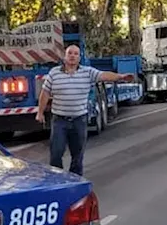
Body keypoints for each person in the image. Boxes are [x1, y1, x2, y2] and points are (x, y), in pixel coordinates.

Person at [36, 44, 134, 176]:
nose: (72, 56)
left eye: (76, 54)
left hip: (79, 120)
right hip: (59, 121)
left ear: (79, 58)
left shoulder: (88, 72)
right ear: (65, 56)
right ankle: (57, 181)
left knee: (77, 155)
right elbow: (45, 93)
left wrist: (120, 77)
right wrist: (40, 112)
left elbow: (103, 75)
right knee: (56, 153)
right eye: (70, 53)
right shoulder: (54, 73)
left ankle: (76, 181)